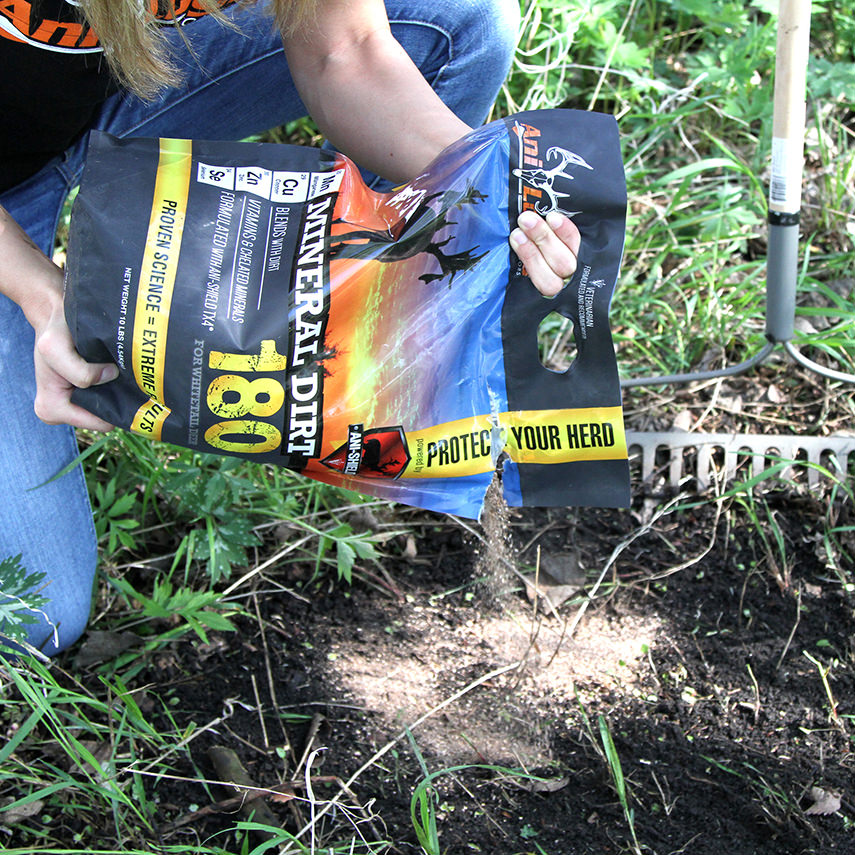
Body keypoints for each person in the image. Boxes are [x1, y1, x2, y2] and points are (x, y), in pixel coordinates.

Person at [0, 0, 581, 655]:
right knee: (33, 616)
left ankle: (344, 340)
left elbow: (347, 50)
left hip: (118, 90)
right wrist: (38, 292)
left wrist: (490, 197)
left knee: (460, 23)